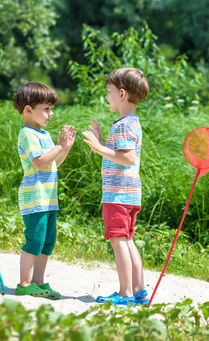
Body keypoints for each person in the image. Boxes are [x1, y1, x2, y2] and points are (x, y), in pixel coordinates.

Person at [82, 67, 150, 305]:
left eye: (108, 91)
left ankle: (125, 293)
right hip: (129, 194)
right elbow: (119, 153)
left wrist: (100, 148)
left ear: (122, 94)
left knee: (118, 240)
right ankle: (139, 290)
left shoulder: (123, 125)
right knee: (128, 239)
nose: (106, 96)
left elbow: (127, 157)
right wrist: (102, 142)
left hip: (118, 194)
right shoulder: (131, 122)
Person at [13, 81, 75, 299]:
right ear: (28, 110)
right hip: (34, 198)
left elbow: (53, 164)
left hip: (48, 199)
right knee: (34, 240)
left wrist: (64, 148)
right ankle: (25, 283)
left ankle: (38, 282)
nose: (50, 114)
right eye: (46, 109)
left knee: (47, 241)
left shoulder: (45, 135)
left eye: (52, 109)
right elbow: (39, 162)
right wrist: (58, 145)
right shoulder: (27, 134)